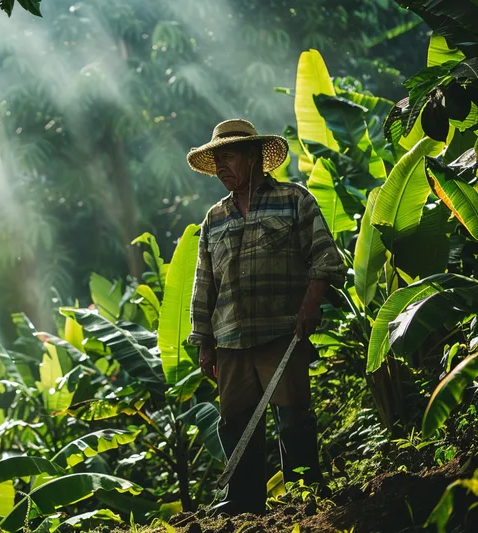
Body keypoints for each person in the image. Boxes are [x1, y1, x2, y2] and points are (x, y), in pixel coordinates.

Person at [186, 119, 345, 515]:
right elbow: (203, 284)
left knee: (292, 417)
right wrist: (205, 344)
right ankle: (243, 501)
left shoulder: (295, 199)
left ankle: (305, 493)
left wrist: (311, 302)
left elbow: (325, 257)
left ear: (255, 157)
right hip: (231, 340)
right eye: (216, 160)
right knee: (236, 422)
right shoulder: (214, 219)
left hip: (281, 331)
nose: (221, 166)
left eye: (229, 156)